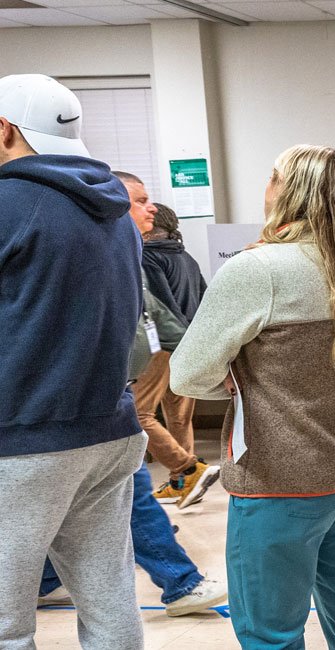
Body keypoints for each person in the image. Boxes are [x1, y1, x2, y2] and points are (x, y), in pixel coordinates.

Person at [171, 145, 335, 649]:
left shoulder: (258, 270)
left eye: (272, 177)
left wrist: (227, 382)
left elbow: (185, 375)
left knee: (271, 633)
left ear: (289, 193)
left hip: (279, 480)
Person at [0, 73, 146, 650]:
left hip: (24, 440)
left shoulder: (8, 204)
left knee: (5, 623)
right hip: (109, 432)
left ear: (5, 131)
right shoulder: (113, 207)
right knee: (109, 602)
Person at [38, 178, 229, 617]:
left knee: (99, 493)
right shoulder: (98, 250)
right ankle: (181, 582)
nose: (150, 210)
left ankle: (48, 581)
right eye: (140, 201)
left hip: (121, 382)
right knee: (127, 489)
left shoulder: (125, 252)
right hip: (92, 397)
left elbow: (154, 313)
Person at [114, 178, 218, 508]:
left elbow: (159, 305)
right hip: (183, 344)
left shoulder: (146, 257)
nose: (149, 207)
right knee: (179, 419)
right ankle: (183, 482)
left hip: (159, 347)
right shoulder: (186, 258)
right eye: (141, 201)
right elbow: (204, 300)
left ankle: (186, 470)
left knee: (140, 414)